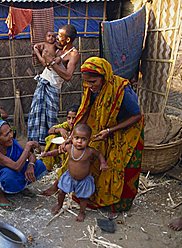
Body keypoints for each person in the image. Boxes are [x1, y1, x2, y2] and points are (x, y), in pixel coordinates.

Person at [45, 57, 144, 213]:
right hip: (103, 128)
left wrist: (111, 130)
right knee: (92, 160)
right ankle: (93, 197)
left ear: (104, 77)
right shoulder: (92, 89)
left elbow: (137, 115)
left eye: (92, 82)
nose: (89, 86)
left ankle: (118, 204)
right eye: (86, 82)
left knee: (120, 166)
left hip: (127, 131)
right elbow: (85, 111)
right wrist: (71, 136)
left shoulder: (121, 90)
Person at [42, 124, 108, 221]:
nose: (79, 141)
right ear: (72, 138)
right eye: (77, 138)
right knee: (61, 192)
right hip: (69, 177)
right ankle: (59, 204)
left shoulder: (89, 151)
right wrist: (47, 154)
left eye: (83, 139)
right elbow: (57, 151)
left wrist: (103, 163)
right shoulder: (69, 147)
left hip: (84, 180)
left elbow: (99, 154)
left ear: (89, 140)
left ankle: (82, 212)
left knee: (83, 198)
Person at [28, 24, 80, 144]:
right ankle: (36, 144)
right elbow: (43, 55)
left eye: (60, 36)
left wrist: (52, 62)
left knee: (50, 117)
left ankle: (50, 144)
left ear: (67, 39)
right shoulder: (57, 48)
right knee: (35, 115)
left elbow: (68, 76)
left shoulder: (73, 54)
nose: (56, 38)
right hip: (43, 83)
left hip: (53, 88)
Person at [0, 120, 47, 211]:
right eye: (6, 135)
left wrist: (30, 165)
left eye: (10, 131)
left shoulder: (11, 143)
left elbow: (31, 156)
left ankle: (18, 188)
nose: (11, 135)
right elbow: (16, 167)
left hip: (11, 173)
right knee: (8, 173)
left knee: (38, 165)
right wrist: (27, 147)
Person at [41, 105, 79, 171]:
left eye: (74, 118)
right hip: (62, 148)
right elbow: (50, 130)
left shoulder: (80, 127)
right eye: (69, 118)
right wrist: (60, 130)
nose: (71, 121)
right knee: (51, 137)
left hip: (75, 151)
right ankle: (51, 164)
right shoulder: (67, 124)